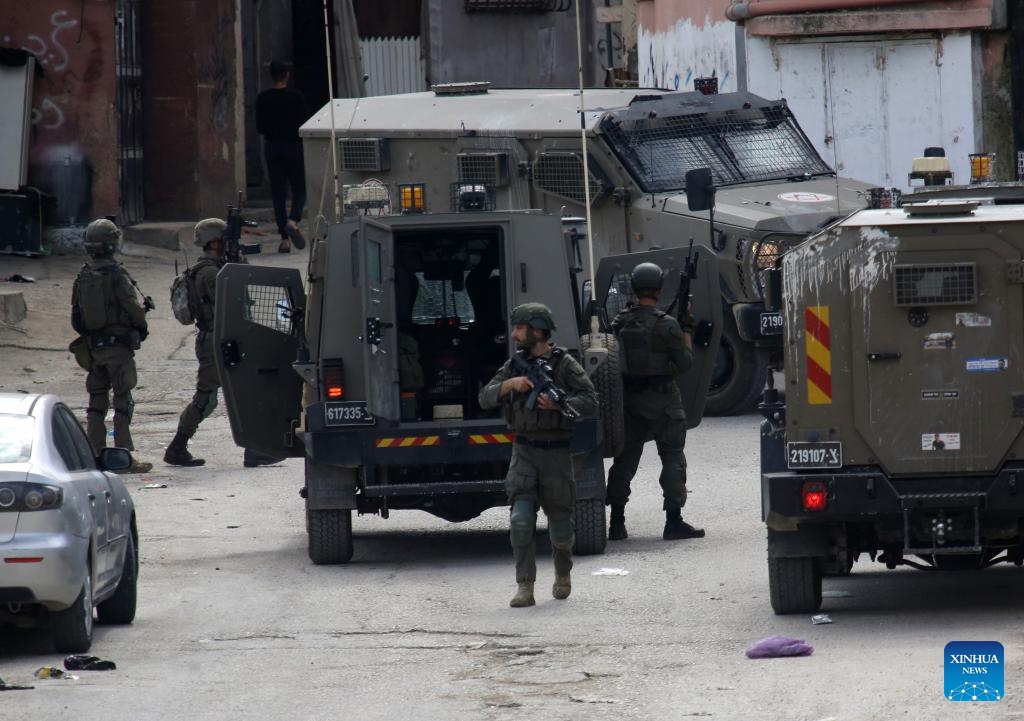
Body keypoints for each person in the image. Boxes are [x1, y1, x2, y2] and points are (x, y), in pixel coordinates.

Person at [479, 303, 598, 608]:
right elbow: (485, 397)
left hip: (556, 454)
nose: (515, 334)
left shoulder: (564, 364)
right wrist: (510, 385)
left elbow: (590, 400)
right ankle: (525, 586)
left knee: (560, 526)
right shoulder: (514, 364)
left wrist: (559, 404)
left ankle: (562, 573)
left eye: (520, 328)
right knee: (520, 520)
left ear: (536, 329)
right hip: (524, 450)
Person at [163, 219, 281, 468]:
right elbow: (237, 300)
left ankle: (181, 446)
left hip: (221, 339)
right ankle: (181, 446)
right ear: (215, 242)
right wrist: (238, 265)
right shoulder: (210, 274)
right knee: (220, 396)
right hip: (220, 341)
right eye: (225, 240)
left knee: (227, 394)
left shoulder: (214, 269)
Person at [605, 262, 705, 541]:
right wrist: (686, 330)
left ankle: (616, 522)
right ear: (659, 290)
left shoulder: (619, 323)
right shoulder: (667, 325)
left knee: (624, 460)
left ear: (635, 289)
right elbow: (684, 363)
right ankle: (673, 521)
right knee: (672, 457)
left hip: (629, 400)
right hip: (662, 399)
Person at [70, 219, 153, 473]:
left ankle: (93, 456)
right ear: (111, 244)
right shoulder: (117, 276)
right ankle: (123, 456)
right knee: (122, 400)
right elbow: (131, 307)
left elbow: (77, 319)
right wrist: (142, 325)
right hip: (118, 348)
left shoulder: (82, 276)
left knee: (96, 403)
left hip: (94, 349)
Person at [255, 60, 308, 254]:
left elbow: (260, 128)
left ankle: (284, 240)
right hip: (294, 147)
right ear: (286, 75)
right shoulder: (296, 97)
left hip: (273, 148)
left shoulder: (262, 98)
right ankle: (293, 221)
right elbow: (305, 122)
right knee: (300, 188)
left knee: (278, 193)